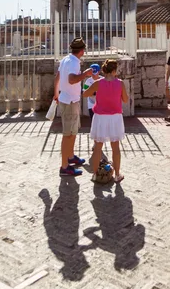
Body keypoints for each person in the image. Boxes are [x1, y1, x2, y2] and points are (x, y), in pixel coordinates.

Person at [83, 59, 128, 183]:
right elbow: (125, 100)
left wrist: (97, 93)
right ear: (114, 71)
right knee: (115, 147)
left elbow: (85, 94)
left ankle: (95, 174)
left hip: (100, 117)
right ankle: (117, 175)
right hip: (115, 117)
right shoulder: (120, 83)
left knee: (98, 147)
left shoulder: (98, 83)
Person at [53, 37, 93, 177]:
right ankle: (64, 167)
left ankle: (70, 157)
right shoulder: (74, 63)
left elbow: (58, 77)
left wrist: (56, 94)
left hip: (68, 99)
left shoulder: (65, 60)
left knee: (73, 131)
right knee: (68, 135)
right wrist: (86, 74)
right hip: (69, 101)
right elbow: (71, 80)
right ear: (82, 51)